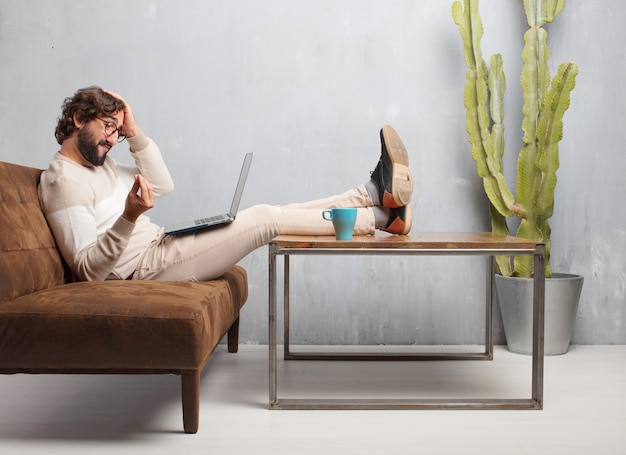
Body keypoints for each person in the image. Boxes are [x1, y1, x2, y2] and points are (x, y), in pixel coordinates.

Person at [38, 86, 413, 282]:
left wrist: (132, 131)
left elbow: (162, 184)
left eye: (116, 132)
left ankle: (366, 196)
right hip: (142, 269)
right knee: (267, 218)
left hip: (160, 246)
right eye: (108, 127)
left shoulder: (98, 164)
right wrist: (129, 217)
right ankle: (381, 219)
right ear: (77, 118)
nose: (111, 138)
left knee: (278, 212)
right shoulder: (62, 181)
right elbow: (88, 270)